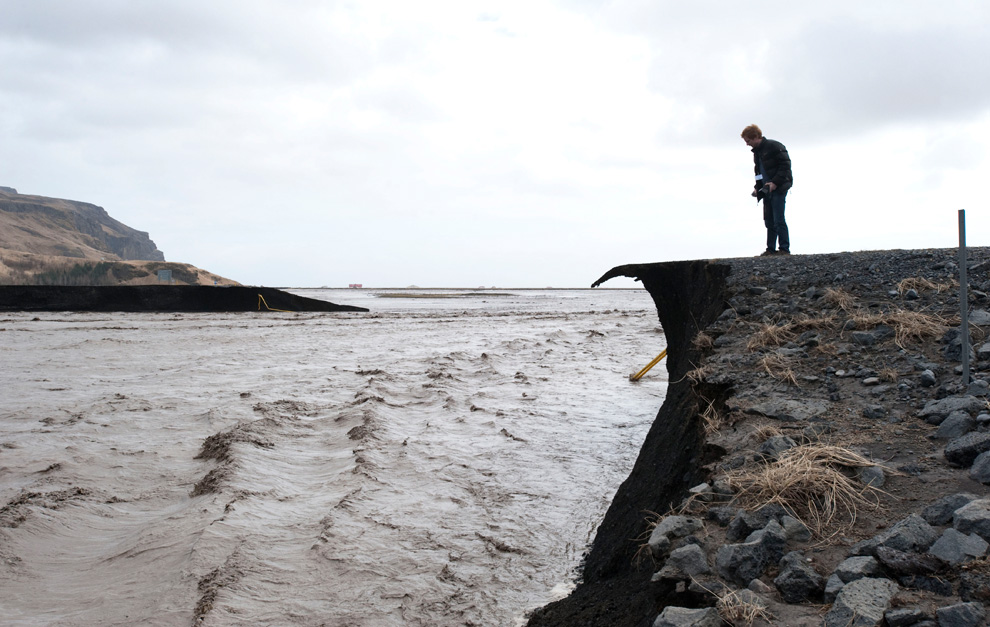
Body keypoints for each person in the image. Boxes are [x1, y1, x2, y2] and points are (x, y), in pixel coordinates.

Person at [741, 124, 792, 256]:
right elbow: (758, 173)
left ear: (755, 137)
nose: (747, 144)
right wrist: (757, 188)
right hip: (766, 190)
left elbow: (785, 167)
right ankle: (770, 249)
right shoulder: (757, 153)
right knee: (769, 220)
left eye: (748, 141)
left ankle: (784, 249)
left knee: (778, 218)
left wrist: (775, 182)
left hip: (779, 188)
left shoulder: (774, 146)